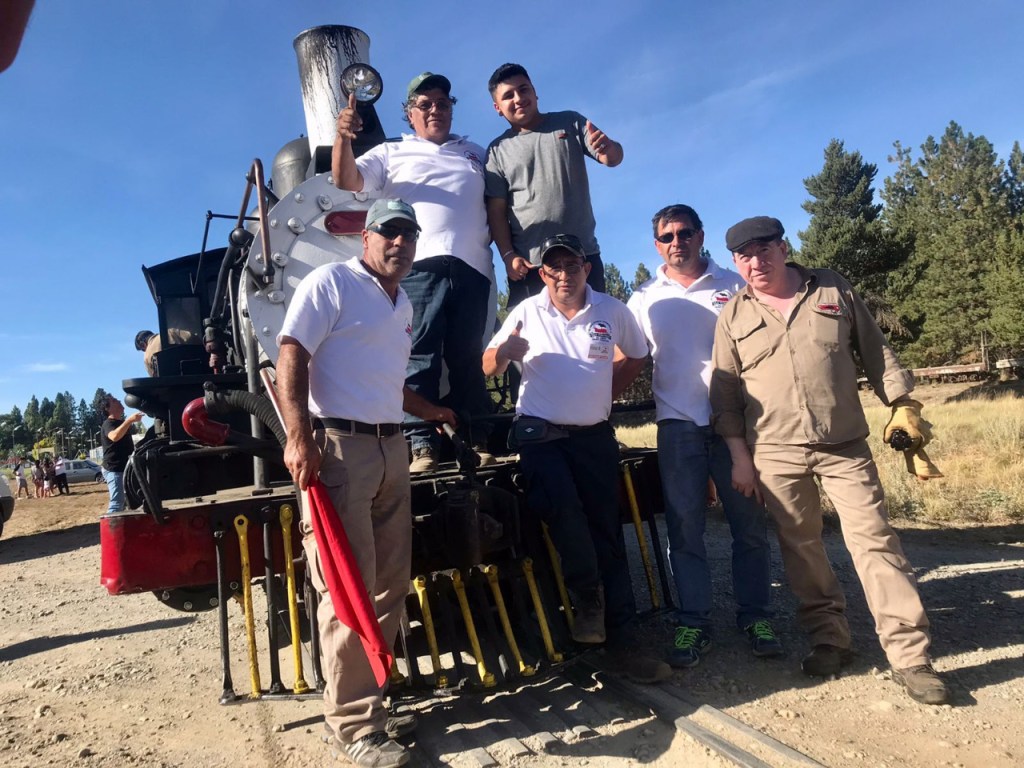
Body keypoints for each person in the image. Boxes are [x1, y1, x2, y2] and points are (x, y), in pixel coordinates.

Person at [709, 216, 949, 705]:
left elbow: (874, 352)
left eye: (764, 249)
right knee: (801, 546)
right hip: (774, 451)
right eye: (744, 255)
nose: (756, 262)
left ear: (782, 246)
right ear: (735, 262)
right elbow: (725, 395)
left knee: (875, 541)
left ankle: (910, 657)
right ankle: (829, 638)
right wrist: (739, 456)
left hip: (844, 445)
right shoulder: (732, 315)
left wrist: (903, 405)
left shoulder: (831, 287)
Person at [276, 198, 456, 768]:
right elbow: (292, 351)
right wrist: (299, 436)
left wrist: (427, 410)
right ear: (366, 237)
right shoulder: (332, 282)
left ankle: (370, 697)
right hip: (340, 449)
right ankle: (354, 727)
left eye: (410, 234)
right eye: (390, 232)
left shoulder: (401, 303)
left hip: (390, 446)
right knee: (346, 588)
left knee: (387, 583)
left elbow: (387, 378)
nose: (400, 243)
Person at [482, 233, 670, 684]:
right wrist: (504, 353)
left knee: (606, 530)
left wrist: (604, 393)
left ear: (587, 268)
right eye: (554, 268)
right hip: (541, 437)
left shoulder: (612, 311)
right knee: (565, 515)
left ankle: (622, 642)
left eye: (572, 266)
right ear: (543, 274)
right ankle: (587, 603)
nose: (564, 275)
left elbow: (637, 356)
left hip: (594, 438)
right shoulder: (527, 312)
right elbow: (488, 363)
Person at [628, 205, 781, 669]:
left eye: (685, 233)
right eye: (668, 236)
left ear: (700, 236)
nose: (677, 242)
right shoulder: (643, 300)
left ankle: (756, 615)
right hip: (678, 428)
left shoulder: (735, 285)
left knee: (750, 528)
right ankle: (693, 620)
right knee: (684, 532)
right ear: (657, 245)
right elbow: (628, 358)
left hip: (737, 425)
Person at [332, 71, 493, 473]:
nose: (435, 109)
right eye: (425, 104)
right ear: (410, 113)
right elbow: (345, 179)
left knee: (467, 360)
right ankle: (422, 447)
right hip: (419, 267)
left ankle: (478, 440)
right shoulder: (390, 153)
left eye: (443, 102)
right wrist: (343, 136)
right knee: (418, 357)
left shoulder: (475, 152)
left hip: (473, 268)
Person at [485, 63, 622, 308]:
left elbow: (612, 158)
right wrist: (508, 256)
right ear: (497, 108)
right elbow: (496, 211)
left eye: (523, 89)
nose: (518, 98)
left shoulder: (569, 122)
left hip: (583, 257)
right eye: (508, 96)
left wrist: (609, 149)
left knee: (595, 336)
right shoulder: (496, 151)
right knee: (533, 344)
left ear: (535, 92)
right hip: (530, 266)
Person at [100, 395, 143, 515]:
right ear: (107, 408)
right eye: (114, 401)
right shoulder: (108, 423)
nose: (119, 401)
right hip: (114, 469)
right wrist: (129, 420)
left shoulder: (120, 423)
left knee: (128, 501)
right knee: (117, 503)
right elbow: (114, 436)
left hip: (123, 468)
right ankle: (111, 531)